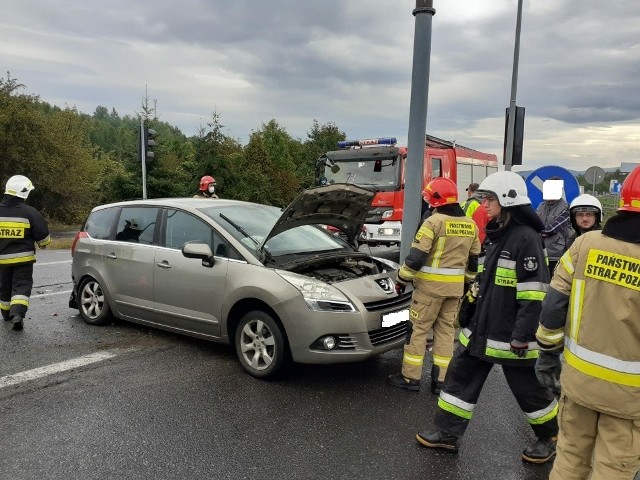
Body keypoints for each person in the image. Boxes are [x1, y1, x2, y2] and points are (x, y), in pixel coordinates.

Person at [416, 171, 559, 464]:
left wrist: (522, 335)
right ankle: (447, 433)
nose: (485, 205)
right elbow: (486, 283)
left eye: (490, 199)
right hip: (482, 329)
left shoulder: (526, 239)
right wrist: (470, 308)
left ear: (508, 201)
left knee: (529, 390)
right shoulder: (498, 234)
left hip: (512, 335)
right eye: (484, 199)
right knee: (459, 377)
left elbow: (533, 294)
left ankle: (551, 436)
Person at [535, 165, 640, 480]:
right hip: (630, 396)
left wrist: (547, 354)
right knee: (612, 470)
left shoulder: (586, 245)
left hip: (578, 382)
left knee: (569, 460)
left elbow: (554, 304)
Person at [388, 177, 480, 395]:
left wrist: (401, 279)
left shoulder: (433, 222)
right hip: (455, 290)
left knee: (417, 331)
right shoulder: (470, 225)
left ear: (436, 200)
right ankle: (441, 382)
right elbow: (474, 261)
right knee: (446, 333)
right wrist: (467, 283)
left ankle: (410, 378)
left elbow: (416, 258)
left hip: (429, 290)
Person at [0, 175, 50, 331]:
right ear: (24, 193)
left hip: (1, 262)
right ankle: (18, 314)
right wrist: (42, 244)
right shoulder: (30, 212)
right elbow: (44, 238)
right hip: (23, 261)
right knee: (21, 286)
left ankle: (6, 313)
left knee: (4, 287)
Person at [536, 177, 570, 274]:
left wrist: (538, 233)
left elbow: (552, 229)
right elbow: (533, 223)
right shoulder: (541, 206)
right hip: (540, 253)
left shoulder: (566, 208)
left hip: (556, 255)